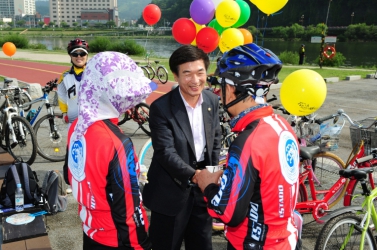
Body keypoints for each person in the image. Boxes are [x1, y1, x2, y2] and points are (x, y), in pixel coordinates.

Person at [196, 43, 301, 250]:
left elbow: (228, 213)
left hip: (254, 243)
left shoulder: (248, 141)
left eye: (221, 87)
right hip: (286, 240)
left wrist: (207, 184)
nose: (218, 93)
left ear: (231, 88)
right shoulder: (282, 125)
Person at [65, 51, 153, 250]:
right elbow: (128, 207)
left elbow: (68, 174)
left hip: (89, 229)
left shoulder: (77, 126)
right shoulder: (117, 143)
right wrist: (141, 244)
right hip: (116, 238)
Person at [142, 45, 222, 250]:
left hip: (202, 194)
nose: (195, 80)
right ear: (176, 76)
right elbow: (165, 152)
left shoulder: (212, 100)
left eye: (200, 72)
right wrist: (195, 175)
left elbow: (215, 139)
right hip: (170, 195)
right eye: (187, 74)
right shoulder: (161, 107)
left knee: (202, 245)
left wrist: (210, 176)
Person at [57, 38, 89, 128]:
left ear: (87, 55)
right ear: (70, 56)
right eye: (75, 54)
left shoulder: (94, 73)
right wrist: (64, 112)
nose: (79, 56)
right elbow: (61, 94)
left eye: (82, 53)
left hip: (92, 122)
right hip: (73, 121)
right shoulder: (65, 76)